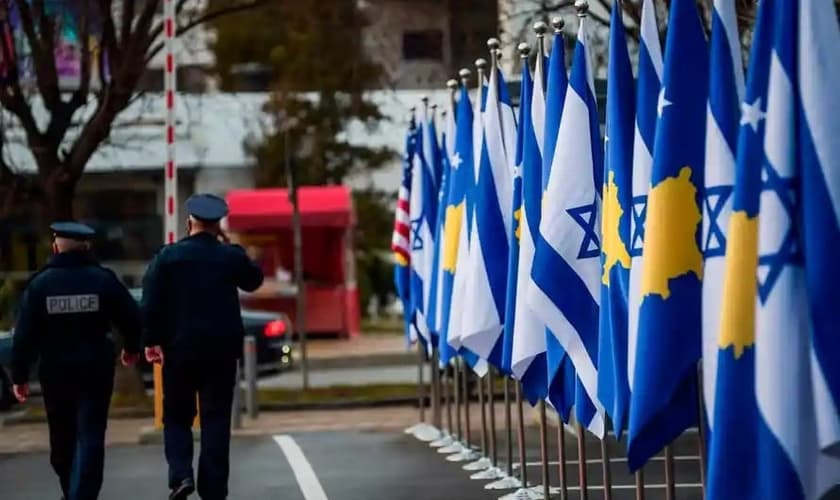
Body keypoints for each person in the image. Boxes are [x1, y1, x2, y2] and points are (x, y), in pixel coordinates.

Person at [141, 193, 264, 500]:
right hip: (220, 352)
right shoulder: (229, 256)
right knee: (216, 421)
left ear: (189, 222)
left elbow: (151, 301)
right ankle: (213, 491)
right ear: (218, 224)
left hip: (179, 349)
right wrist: (231, 243)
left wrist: (151, 340)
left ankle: (181, 475)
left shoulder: (167, 257)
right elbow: (254, 280)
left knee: (177, 417)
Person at [11, 221, 143, 500]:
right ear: (87, 246)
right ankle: (81, 494)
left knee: (62, 438)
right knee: (91, 433)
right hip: (95, 368)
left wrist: (19, 377)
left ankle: (73, 492)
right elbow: (131, 318)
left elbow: (23, 335)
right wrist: (132, 348)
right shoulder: (102, 279)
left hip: (55, 372)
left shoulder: (40, 285)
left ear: (55, 246)